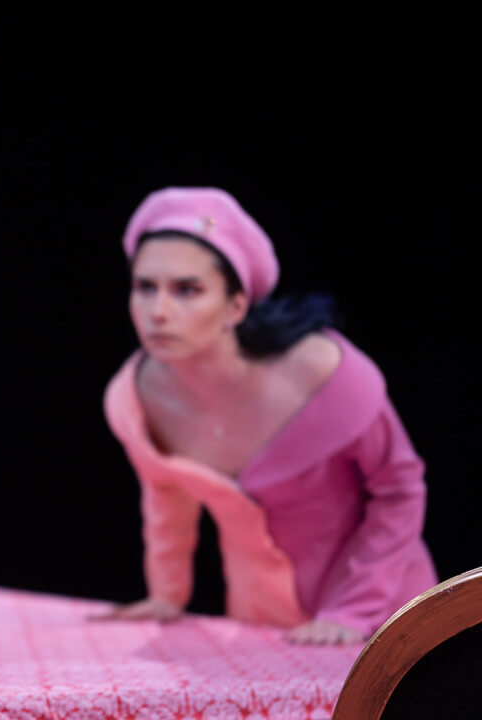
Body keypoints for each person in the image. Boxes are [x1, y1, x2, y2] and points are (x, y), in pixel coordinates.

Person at [97, 187, 436, 645]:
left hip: (385, 617)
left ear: (235, 306)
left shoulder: (324, 373)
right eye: (145, 288)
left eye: (187, 290)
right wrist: (167, 594)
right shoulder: (134, 394)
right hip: (263, 624)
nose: (158, 312)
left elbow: (399, 489)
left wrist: (353, 609)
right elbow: (166, 493)